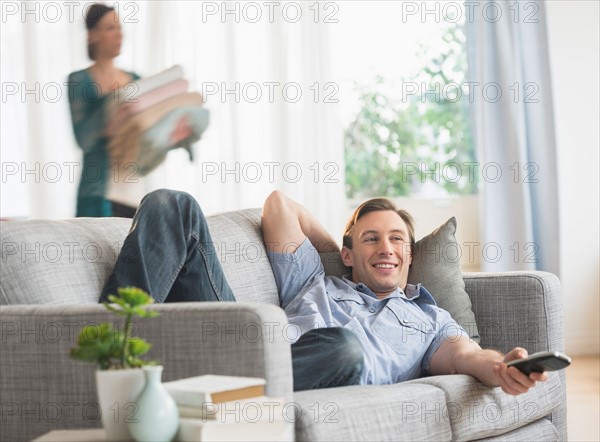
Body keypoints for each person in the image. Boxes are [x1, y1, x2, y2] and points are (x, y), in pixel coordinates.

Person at [100, 189, 548, 395]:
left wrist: (503, 367)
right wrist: (339, 253)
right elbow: (279, 205)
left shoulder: (430, 318)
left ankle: (188, 388)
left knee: (344, 348)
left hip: (319, 368)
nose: (386, 248)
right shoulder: (315, 279)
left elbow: (470, 357)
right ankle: (109, 352)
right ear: (349, 253)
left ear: (410, 256)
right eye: (371, 238)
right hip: (240, 347)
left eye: (396, 240)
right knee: (173, 204)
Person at [67, 3, 141, 218]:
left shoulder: (136, 80)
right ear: (92, 35)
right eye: (110, 28)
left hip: (134, 191)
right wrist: (113, 107)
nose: (119, 34)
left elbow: (149, 135)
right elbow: (83, 139)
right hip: (96, 193)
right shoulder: (79, 81)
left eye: (119, 27)